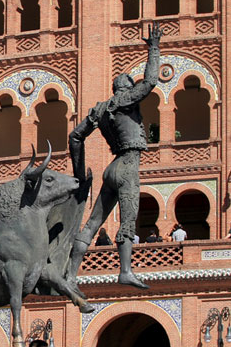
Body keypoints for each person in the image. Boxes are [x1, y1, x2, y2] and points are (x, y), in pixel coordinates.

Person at [67, 23, 162, 289]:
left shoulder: (100, 109)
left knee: (92, 223)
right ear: (127, 88)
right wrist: (153, 48)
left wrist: (79, 175)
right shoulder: (127, 99)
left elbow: (75, 137)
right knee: (129, 218)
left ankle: (71, 275)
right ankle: (126, 270)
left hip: (111, 168)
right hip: (128, 164)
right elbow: (151, 81)